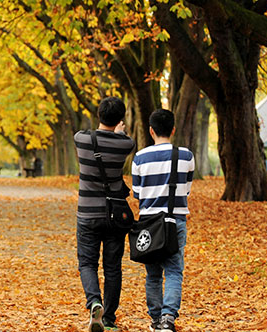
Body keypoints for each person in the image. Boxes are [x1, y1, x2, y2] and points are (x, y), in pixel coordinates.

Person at [74, 97, 136, 332]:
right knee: (113, 267)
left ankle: (94, 302)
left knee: (87, 262)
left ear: (99, 115)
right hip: (115, 214)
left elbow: (86, 133)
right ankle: (109, 318)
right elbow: (125, 141)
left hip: (87, 213)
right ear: (120, 119)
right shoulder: (125, 143)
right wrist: (119, 133)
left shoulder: (81, 139)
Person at [131, 109, 194, 332]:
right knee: (175, 270)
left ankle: (156, 319)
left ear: (151, 130)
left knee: (153, 274)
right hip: (175, 219)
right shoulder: (186, 156)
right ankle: (168, 318)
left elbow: (137, 193)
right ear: (173, 129)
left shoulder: (139, 158)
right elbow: (186, 190)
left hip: (148, 223)